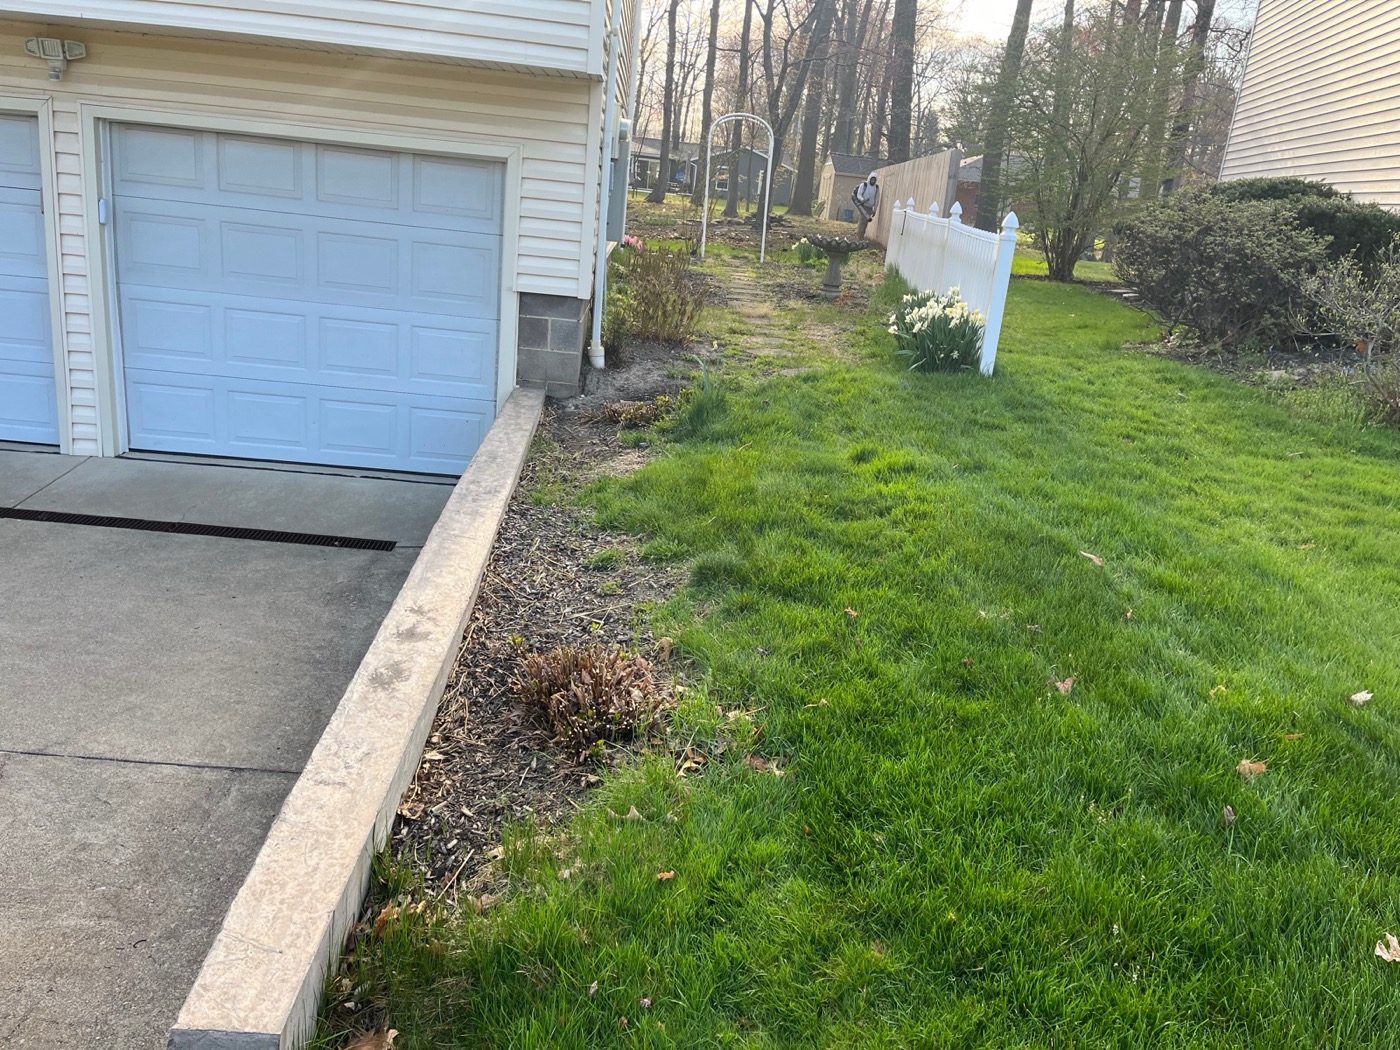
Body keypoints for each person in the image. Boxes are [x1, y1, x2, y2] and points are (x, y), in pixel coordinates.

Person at [851, 172, 879, 237]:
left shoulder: (876, 188)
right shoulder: (864, 185)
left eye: (874, 180)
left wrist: (875, 209)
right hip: (863, 205)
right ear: (870, 178)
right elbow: (859, 194)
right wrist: (862, 199)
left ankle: (861, 234)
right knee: (862, 219)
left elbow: (876, 199)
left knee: (866, 221)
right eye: (872, 179)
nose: (873, 181)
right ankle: (859, 234)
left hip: (870, 207)